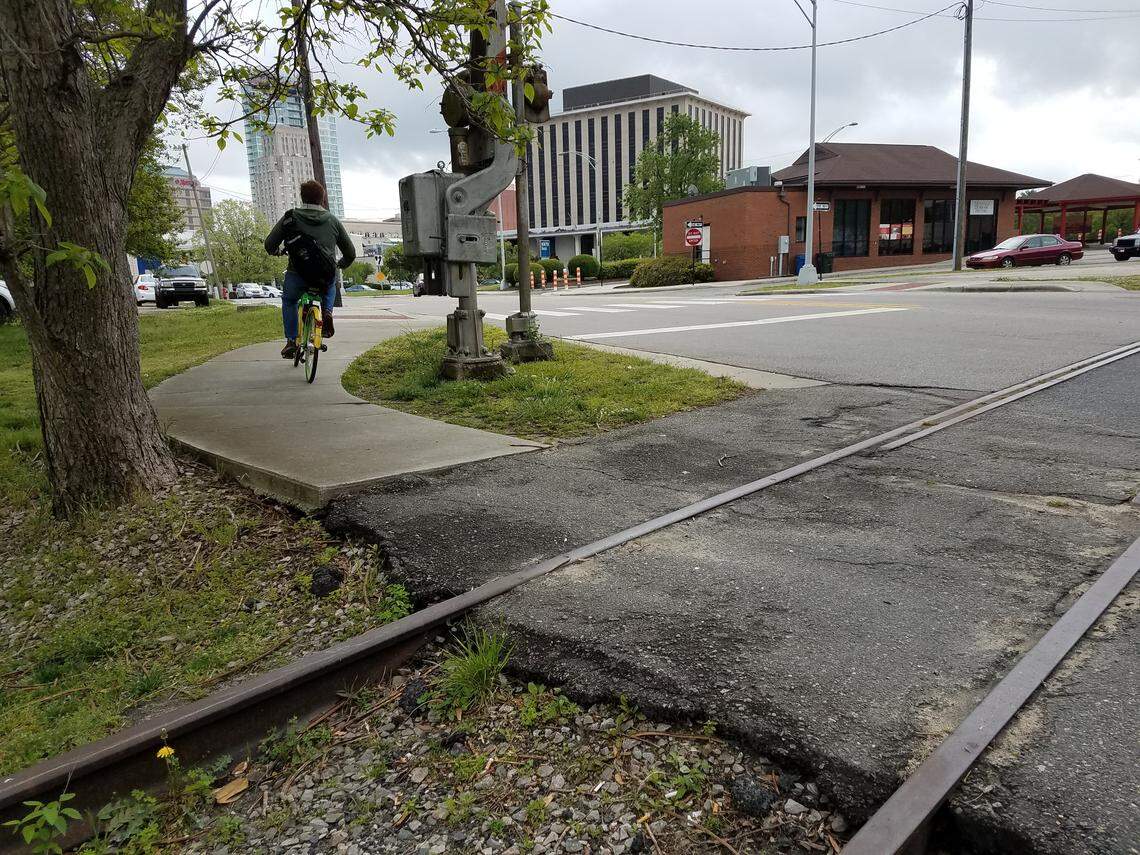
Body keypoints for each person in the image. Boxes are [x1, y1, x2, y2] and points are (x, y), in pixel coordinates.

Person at [264, 180, 356, 358]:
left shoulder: (290, 217)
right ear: (322, 199)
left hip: (297, 274)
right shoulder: (332, 220)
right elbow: (350, 252)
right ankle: (327, 312)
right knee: (330, 285)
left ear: (302, 197)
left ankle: (291, 340)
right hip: (324, 275)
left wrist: (277, 251)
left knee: (289, 301)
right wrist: (341, 264)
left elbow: (269, 244)